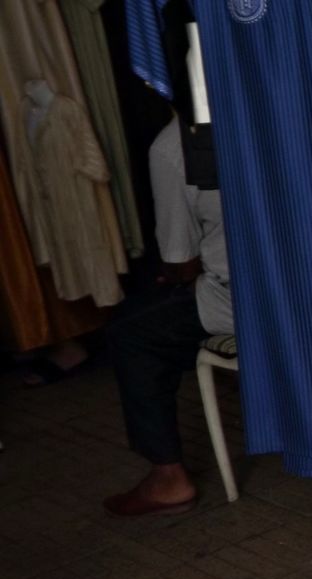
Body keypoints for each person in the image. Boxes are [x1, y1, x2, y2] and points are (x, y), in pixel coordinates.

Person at [103, 115, 231, 516]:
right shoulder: (297, 101)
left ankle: (168, 476)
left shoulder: (175, 145)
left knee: (130, 331)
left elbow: (181, 260)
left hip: (243, 303)